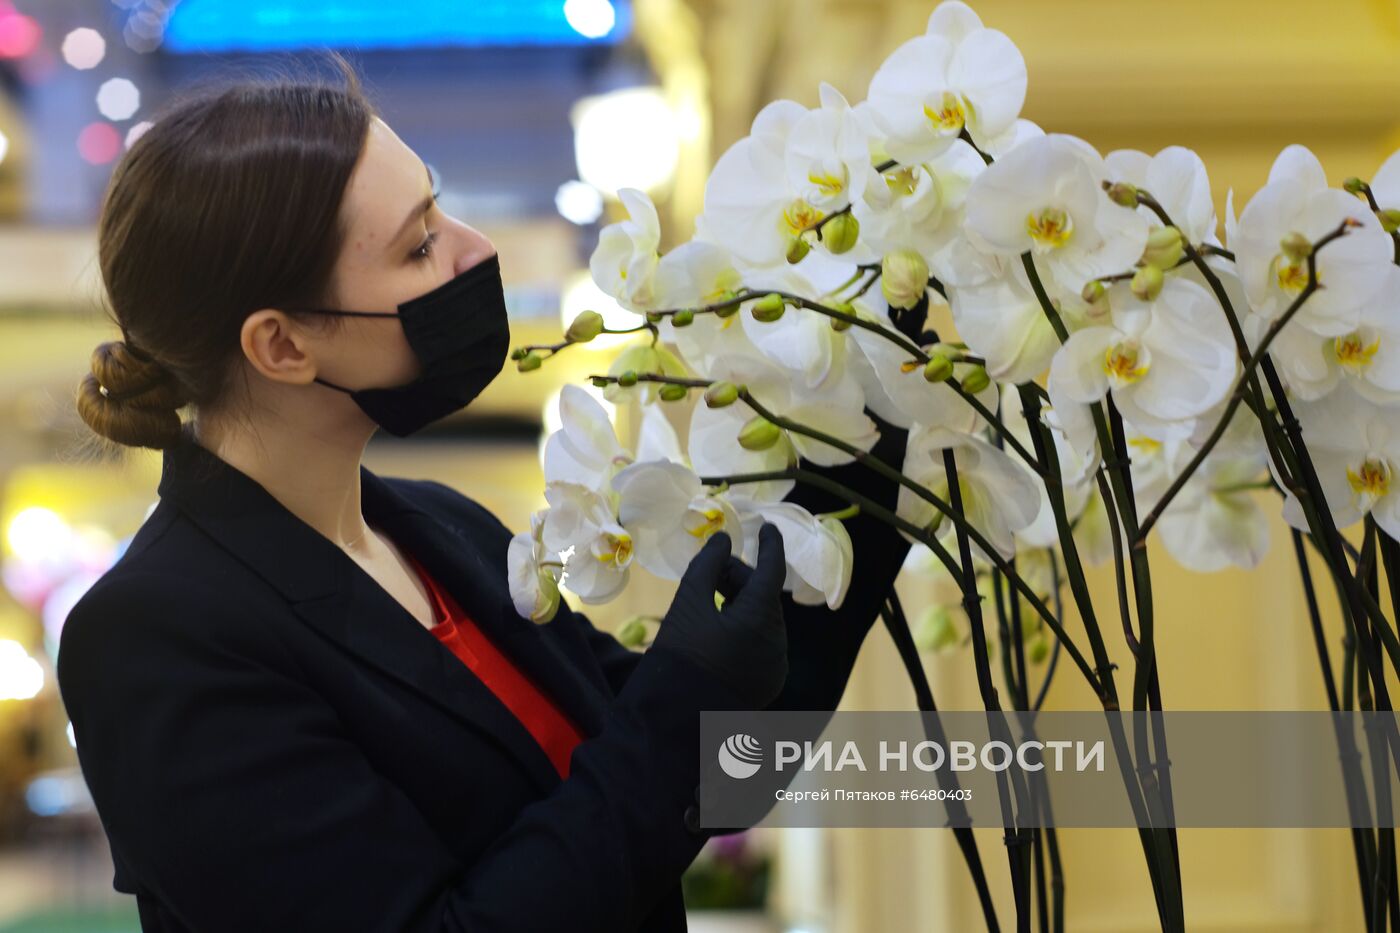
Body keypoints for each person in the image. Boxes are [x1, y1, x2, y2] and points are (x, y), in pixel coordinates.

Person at [56, 53, 911, 932]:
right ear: (281, 346)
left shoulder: (441, 530)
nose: (477, 249)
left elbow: (716, 773)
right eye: (419, 244)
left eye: (439, 206)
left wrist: (868, 454)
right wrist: (681, 695)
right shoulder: (156, 638)